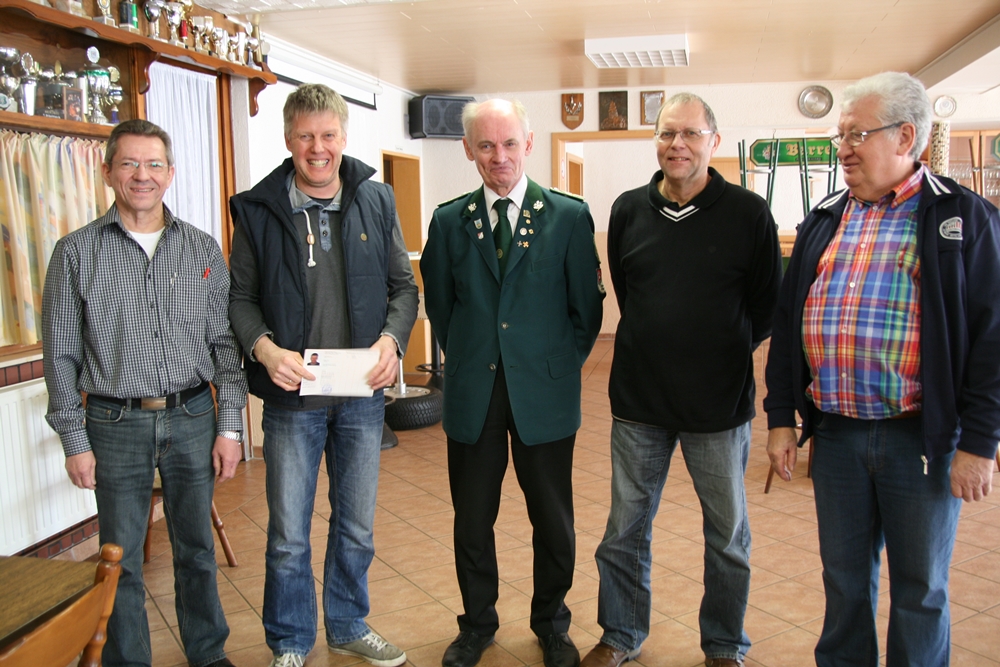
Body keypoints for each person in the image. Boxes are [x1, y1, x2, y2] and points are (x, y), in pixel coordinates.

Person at [764, 72, 1000, 667]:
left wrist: (980, 443)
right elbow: (789, 324)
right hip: (837, 437)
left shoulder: (962, 217)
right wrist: (781, 417)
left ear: (905, 137)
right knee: (843, 583)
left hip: (919, 441)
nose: (843, 149)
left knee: (919, 590)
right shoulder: (825, 217)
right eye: (840, 136)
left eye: (857, 134)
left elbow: (993, 340)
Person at [581, 93, 782, 667]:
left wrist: (718, 351)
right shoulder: (627, 209)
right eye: (668, 133)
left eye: (691, 134)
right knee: (624, 529)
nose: (678, 145)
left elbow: (766, 306)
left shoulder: (748, 213)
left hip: (718, 407)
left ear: (712, 141)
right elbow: (629, 291)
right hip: (639, 403)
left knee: (727, 535)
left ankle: (723, 644)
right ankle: (620, 634)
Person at [43, 119, 245, 667]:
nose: (142, 175)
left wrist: (230, 427)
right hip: (114, 425)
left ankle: (208, 653)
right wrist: (74, 440)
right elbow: (60, 355)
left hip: (193, 415)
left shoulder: (202, 249)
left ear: (170, 174)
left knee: (197, 550)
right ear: (108, 172)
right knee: (122, 557)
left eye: (154, 164)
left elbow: (224, 344)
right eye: (129, 163)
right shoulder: (75, 253)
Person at [228, 84, 417, 667]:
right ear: (288, 139)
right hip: (292, 401)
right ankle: (289, 641)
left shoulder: (376, 200)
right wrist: (264, 350)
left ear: (343, 136)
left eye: (328, 135)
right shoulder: (257, 210)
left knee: (356, 526)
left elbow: (403, 288)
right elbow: (240, 299)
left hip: (360, 397)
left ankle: (347, 624)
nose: (318, 148)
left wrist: (392, 340)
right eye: (306, 136)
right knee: (288, 535)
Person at [420, 98, 604, 667]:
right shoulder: (449, 222)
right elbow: (441, 308)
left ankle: (552, 623)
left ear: (528, 144)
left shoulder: (567, 216)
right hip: (474, 393)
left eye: (508, 143)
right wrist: (473, 355)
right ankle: (476, 624)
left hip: (544, 394)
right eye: (485, 145)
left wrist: (553, 365)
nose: (498, 156)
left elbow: (586, 311)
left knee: (552, 519)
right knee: (473, 519)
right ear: (468, 150)